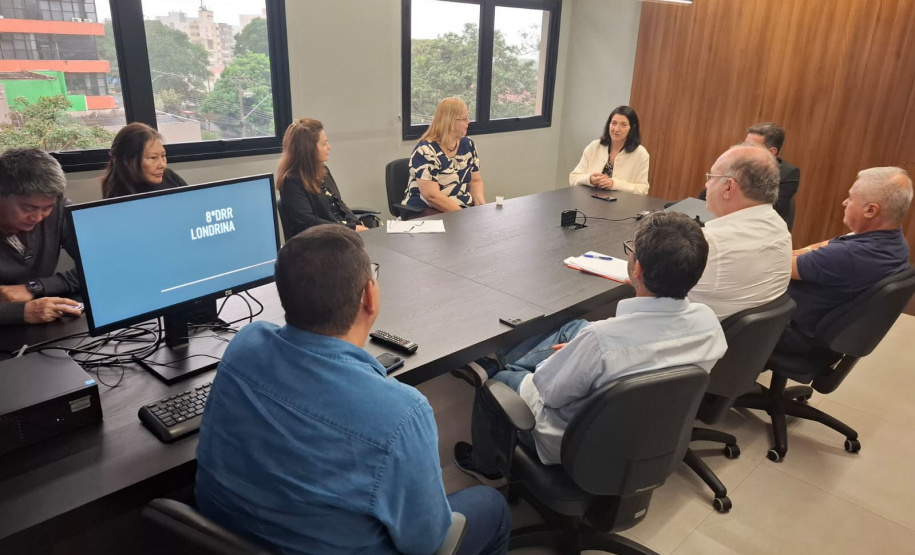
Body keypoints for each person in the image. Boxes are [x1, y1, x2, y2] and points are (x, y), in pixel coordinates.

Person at [195, 224, 510, 555]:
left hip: (228, 537)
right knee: (491, 506)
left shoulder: (244, 344)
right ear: (370, 297)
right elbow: (426, 542)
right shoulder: (402, 413)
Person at [453, 212, 727, 475]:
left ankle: (485, 464)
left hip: (571, 443)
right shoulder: (710, 325)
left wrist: (563, 360)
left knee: (499, 383)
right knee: (575, 329)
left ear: (638, 268)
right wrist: (579, 350)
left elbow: (547, 392)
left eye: (630, 249)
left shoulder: (600, 343)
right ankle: (501, 358)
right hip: (643, 430)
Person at [777, 167, 913, 354]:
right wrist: (806, 251)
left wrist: (795, 255)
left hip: (794, 333)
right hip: (822, 328)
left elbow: (775, 265)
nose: (844, 202)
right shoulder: (895, 242)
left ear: (871, 210)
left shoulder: (849, 255)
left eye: (851, 198)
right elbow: (824, 245)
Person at [688, 144, 793, 320]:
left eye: (711, 177)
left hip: (697, 338)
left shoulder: (709, 245)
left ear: (729, 187)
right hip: (747, 343)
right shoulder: (780, 228)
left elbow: (652, 289)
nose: (706, 184)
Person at [0, 148, 82, 325]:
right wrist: (20, 312)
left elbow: (97, 267)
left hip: (48, 321)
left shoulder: (60, 210)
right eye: (28, 208)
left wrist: (34, 287)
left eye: (46, 208)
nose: (38, 218)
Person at [276, 118, 370, 235]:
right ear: (308, 149)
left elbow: (339, 204)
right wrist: (350, 229)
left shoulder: (322, 170)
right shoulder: (291, 181)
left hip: (339, 236)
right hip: (318, 243)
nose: (329, 147)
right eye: (324, 143)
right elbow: (308, 223)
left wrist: (357, 224)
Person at [698, 122, 801, 227]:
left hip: (760, 224)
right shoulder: (738, 163)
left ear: (772, 152)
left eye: (752, 146)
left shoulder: (789, 173)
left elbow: (770, 206)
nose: (744, 149)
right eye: (744, 144)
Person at [403, 97, 486, 214]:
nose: (468, 122)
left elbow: (475, 181)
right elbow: (432, 197)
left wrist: (481, 208)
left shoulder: (468, 145)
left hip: (461, 209)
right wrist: (463, 216)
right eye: (465, 118)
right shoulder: (426, 151)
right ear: (451, 122)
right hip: (429, 211)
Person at [568, 105, 650, 195]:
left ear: (632, 128)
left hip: (623, 206)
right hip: (589, 203)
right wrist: (590, 179)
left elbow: (643, 190)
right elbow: (573, 177)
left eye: (623, 125)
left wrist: (615, 184)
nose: (616, 129)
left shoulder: (641, 154)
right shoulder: (594, 146)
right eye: (614, 123)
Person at [100, 122, 188, 198]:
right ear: (127, 160)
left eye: (163, 155)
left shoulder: (169, 176)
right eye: (153, 158)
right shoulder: (119, 196)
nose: (162, 165)